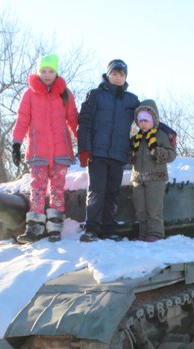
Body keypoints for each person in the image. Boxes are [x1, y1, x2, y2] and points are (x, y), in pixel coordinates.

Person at [12, 54, 79, 243]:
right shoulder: (30, 94)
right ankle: (34, 228)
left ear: (56, 72)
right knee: (38, 188)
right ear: (38, 72)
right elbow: (23, 118)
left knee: (57, 189)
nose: (47, 75)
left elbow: (73, 119)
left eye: (50, 71)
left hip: (60, 151)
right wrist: (16, 143)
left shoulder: (64, 93)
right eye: (43, 71)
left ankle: (55, 227)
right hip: (38, 151)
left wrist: (82, 141)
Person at [76, 59, 140, 242]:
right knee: (96, 190)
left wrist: (166, 131)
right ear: (108, 74)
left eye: (122, 74)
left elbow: (147, 116)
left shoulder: (131, 100)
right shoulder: (95, 95)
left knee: (112, 192)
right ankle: (91, 229)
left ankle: (108, 228)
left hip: (119, 153)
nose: (118, 78)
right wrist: (84, 149)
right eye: (115, 73)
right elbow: (84, 122)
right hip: (98, 152)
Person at [128, 99, 177, 242]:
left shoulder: (160, 135)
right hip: (138, 178)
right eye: (140, 120)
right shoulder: (135, 139)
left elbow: (172, 154)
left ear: (153, 120)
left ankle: (155, 233)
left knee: (154, 208)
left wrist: (158, 152)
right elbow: (129, 156)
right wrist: (130, 156)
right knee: (141, 209)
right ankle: (143, 234)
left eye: (146, 120)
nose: (143, 123)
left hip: (156, 178)